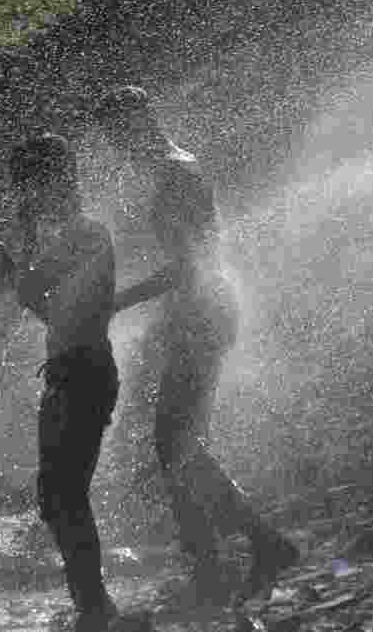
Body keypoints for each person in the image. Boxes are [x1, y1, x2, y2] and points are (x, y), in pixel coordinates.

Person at [94, 86, 299, 603]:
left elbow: (190, 265)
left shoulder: (173, 173)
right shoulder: (177, 167)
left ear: (140, 121)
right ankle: (214, 561)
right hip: (198, 309)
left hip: (201, 312)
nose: (118, 146)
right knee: (178, 444)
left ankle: (255, 544)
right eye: (112, 137)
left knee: (173, 444)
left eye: (119, 133)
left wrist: (118, 301)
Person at [0, 133, 121, 630]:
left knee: (64, 494)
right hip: (68, 372)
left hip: (85, 373)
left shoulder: (88, 233)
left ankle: (96, 609)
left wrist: (11, 271)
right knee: (55, 495)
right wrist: (16, 272)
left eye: (29, 185)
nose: (26, 198)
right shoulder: (70, 235)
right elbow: (50, 313)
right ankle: (91, 605)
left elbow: (61, 306)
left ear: (53, 180)